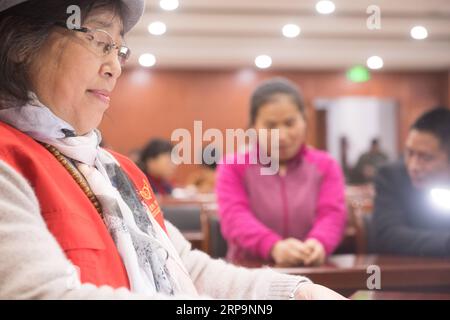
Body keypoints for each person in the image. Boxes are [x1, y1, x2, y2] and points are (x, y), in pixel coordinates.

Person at [0, 0, 345, 299]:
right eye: (101, 41)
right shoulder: (9, 158)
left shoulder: (117, 172)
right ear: (22, 43)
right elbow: (43, 294)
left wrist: (295, 291)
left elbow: (188, 268)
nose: (116, 67)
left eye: (119, 50)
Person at [215, 78, 347, 267]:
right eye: (271, 125)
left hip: (311, 270)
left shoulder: (326, 165)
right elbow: (234, 216)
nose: (282, 135)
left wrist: (319, 242)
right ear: (253, 127)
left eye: (290, 123)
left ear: (304, 120)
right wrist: (273, 246)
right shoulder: (233, 166)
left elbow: (332, 213)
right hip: (250, 274)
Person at [373, 107, 450, 256]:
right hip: (408, 274)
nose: (413, 166)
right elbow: (389, 236)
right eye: (410, 153)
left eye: (426, 158)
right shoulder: (391, 176)